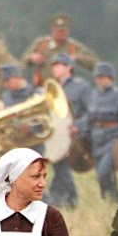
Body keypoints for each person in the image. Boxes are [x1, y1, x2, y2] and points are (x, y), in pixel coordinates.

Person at [43, 52, 90, 208]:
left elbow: (91, 112)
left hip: (74, 135)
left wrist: (79, 126)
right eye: (53, 65)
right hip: (57, 135)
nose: (54, 68)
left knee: (61, 165)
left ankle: (57, 199)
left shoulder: (81, 86)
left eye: (58, 65)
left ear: (69, 67)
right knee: (59, 165)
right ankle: (71, 201)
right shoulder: (53, 88)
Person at [88, 61, 118, 201]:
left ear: (110, 78)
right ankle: (112, 200)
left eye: (102, 76)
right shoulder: (94, 95)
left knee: (104, 172)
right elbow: (90, 118)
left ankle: (113, 199)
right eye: (97, 77)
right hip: (97, 139)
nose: (99, 80)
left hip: (113, 140)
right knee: (103, 175)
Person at [22, 14, 97, 87]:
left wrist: (77, 58)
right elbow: (23, 63)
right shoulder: (41, 44)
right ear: (52, 31)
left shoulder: (73, 46)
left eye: (63, 31)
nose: (61, 34)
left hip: (66, 88)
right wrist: (31, 58)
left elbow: (94, 63)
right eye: (58, 31)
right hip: (43, 86)